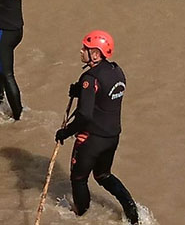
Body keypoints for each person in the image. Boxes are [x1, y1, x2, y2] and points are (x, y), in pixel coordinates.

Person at [55, 30, 139, 224]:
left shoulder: (89, 78)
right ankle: (132, 212)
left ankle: (81, 217)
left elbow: (84, 115)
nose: (81, 50)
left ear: (95, 54)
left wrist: (65, 132)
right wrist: (80, 92)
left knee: (79, 178)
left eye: (85, 48)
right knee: (103, 175)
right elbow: (104, 97)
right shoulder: (117, 71)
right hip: (112, 137)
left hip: (91, 139)